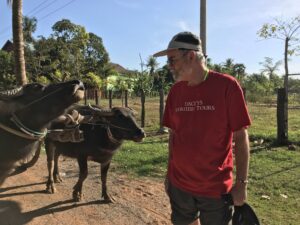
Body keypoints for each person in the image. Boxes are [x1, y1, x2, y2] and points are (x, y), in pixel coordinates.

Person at [153, 31, 251, 225]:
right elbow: (174, 136)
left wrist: (241, 183)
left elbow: (241, 136)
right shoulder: (175, 91)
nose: (169, 67)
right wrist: (168, 175)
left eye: (172, 60)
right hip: (179, 185)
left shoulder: (227, 86)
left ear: (190, 56)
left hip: (215, 190)